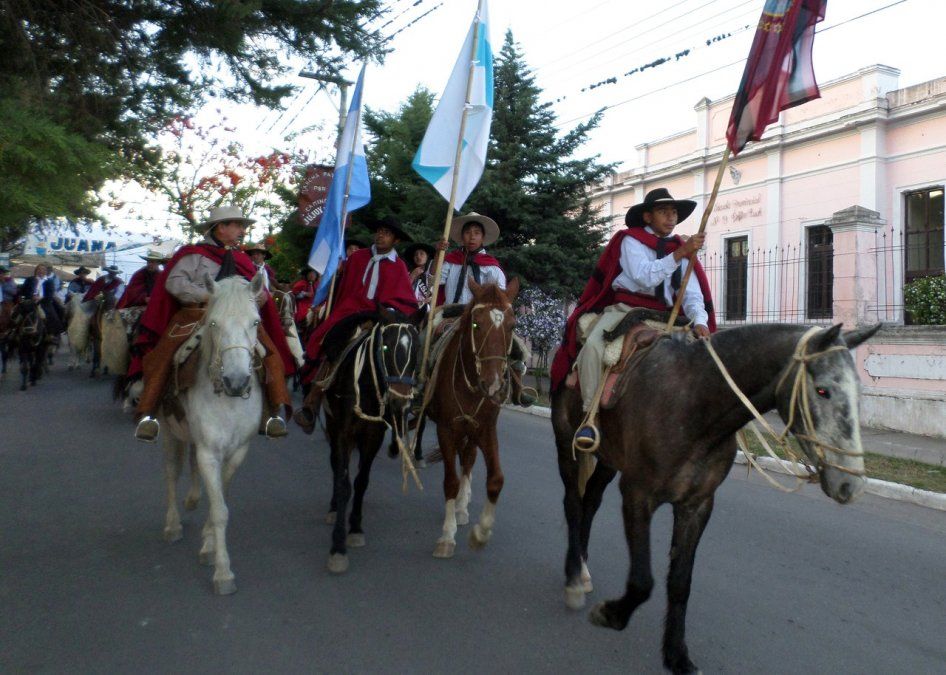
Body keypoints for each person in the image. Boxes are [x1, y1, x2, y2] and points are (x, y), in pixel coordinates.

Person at [549, 188, 716, 443]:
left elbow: (692, 295)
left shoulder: (681, 249)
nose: (671, 217)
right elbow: (643, 276)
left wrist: (701, 322)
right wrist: (680, 254)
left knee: (703, 359)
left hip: (666, 317)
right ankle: (589, 416)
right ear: (647, 217)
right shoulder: (631, 240)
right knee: (594, 347)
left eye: (674, 212)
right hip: (625, 311)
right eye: (663, 212)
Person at [130, 204, 295, 442]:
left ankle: (272, 413)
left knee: (269, 353)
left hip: (236, 316)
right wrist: (209, 295)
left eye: (242, 226)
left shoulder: (241, 258)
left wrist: (252, 298)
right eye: (238, 225)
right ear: (221, 227)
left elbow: (259, 293)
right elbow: (175, 283)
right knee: (165, 353)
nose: (242, 231)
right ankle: (149, 414)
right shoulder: (193, 254)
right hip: (196, 314)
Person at [293, 217, 418, 433]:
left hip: (381, 316)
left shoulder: (398, 266)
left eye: (387, 233)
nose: (381, 235)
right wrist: (337, 273)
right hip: (350, 312)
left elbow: (403, 299)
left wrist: (386, 313)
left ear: (396, 240)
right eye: (379, 231)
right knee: (330, 341)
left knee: (400, 348)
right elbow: (342, 286)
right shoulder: (357, 257)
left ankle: (401, 401)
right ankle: (313, 399)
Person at [433, 213, 536, 407]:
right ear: (462, 237)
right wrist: (438, 255)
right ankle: (420, 382)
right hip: (452, 313)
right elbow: (434, 281)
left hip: (482, 316)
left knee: (514, 344)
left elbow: (502, 298)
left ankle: (518, 387)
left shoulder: (492, 267)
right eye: (468, 233)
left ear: (482, 237)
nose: (472, 237)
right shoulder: (450, 261)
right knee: (425, 336)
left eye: (476, 233)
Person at [404, 242, 435, 308]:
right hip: (410, 308)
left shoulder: (432, 272)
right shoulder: (407, 274)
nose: (418, 256)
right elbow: (402, 291)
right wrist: (412, 276)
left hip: (428, 310)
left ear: (427, 256)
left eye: (421, 253)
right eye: (416, 255)